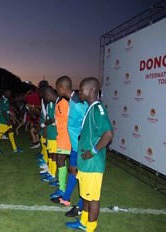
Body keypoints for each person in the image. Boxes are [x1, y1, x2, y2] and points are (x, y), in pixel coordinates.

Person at [66, 77, 113, 232]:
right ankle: (84, 222)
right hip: (85, 163)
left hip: (93, 165)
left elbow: (108, 134)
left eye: (81, 89)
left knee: (92, 199)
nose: (79, 92)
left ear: (91, 90)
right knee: (85, 196)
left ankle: (90, 228)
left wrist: (93, 151)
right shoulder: (90, 107)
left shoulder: (98, 109)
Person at [55, 76, 87, 216]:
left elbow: (88, 124)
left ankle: (80, 207)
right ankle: (66, 198)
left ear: (62, 88)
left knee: (82, 176)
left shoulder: (78, 104)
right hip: (75, 146)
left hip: (81, 147)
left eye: (57, 88)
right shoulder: (72, 101)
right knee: (72, 170)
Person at [0, 88, 23, 154]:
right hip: (3, 120)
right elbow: (3, 111)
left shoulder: (6, 100)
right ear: (4, 93)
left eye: (10, 93)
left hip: (7, 120)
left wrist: (12, 119)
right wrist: (7, 120)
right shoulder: (3, 100)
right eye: (8, 93)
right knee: (0, 134)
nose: (9, 95)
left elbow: (7, 111)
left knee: (11, 132)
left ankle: (15, 148)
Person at [40, 86, 58, 184]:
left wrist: (42, 125)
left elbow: (53, 119)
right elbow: (49, 118)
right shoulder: (50, 103)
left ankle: (53, 174)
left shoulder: (56, 103)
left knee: (54, 154)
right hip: (51, 132)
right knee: (50, 153)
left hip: (55, 133)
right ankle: (50, 172)